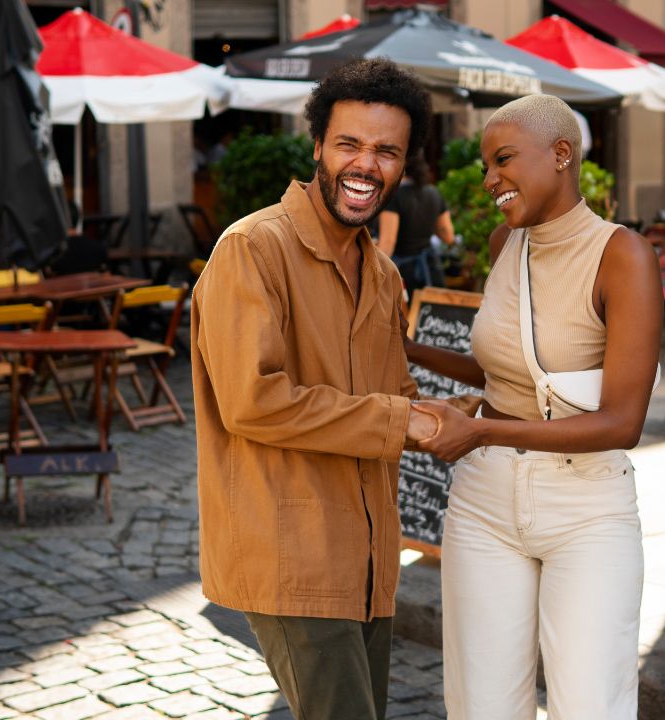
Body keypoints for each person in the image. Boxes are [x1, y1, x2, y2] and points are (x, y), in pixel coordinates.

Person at [190, 59, 443, 720]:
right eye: (350, 144)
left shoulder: (383, 274)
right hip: (289, 552)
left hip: (366, 557)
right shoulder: (252, 248)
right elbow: (253, 400)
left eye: (386, 150)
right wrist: (403, 421)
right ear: (317, 149)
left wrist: (476, 415)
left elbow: (394, 395)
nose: (367, 164)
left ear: (403, 164)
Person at [409, 94, 663, 719]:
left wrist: (480, 431)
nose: (490, 178)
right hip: (484, 505)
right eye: (484, 166)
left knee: (590, 705)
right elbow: (508, 369)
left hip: (586, 509)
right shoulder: (505, 243)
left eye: (502, 160)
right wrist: (408, 348)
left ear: (560, 154)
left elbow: (621, 423)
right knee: (483, 705)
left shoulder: (622, 255)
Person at [376, 153, 455, 297]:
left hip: (405, 274)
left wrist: (373, 275)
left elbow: (388, 243)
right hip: (432, 270)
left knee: (407, 319)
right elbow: (448, 237)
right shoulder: (434, 193)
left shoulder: (394, 196)